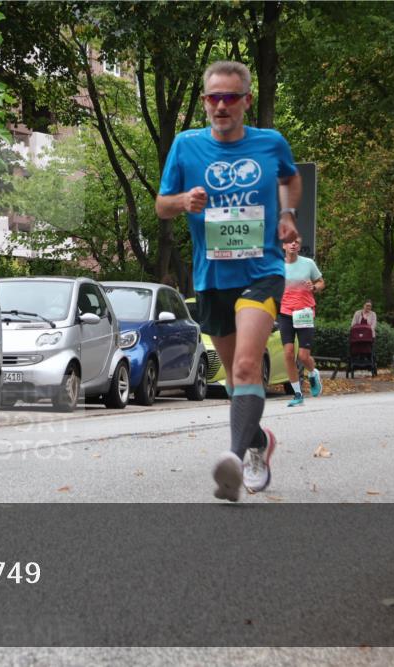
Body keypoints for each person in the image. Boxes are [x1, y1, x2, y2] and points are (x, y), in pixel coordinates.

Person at [156, 60, 301, 502]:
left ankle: (235, 460)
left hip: (262, 272)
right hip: (212, 276)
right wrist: (183, 201)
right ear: (204, 102)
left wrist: (289, 214)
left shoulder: (270, 143)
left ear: (246, 101)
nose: (222, 106)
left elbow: (291, 180)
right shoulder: (185, 146)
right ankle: (260, 444)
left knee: (244, 367)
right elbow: (161, 205)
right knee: (236, 382)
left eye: (231, 98)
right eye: (214, 98)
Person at [278, 236, 325, 407]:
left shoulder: (308, 264)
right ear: (283, 245)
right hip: (285, 313)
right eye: (289, 242)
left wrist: (314, 287)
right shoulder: (278, 266)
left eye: (296, 242)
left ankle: (313, 373)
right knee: (289, 353)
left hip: (304, 312)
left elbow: (321, 282)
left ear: (299, 246)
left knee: (303, 356)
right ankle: (297, 394)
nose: (293, 244)